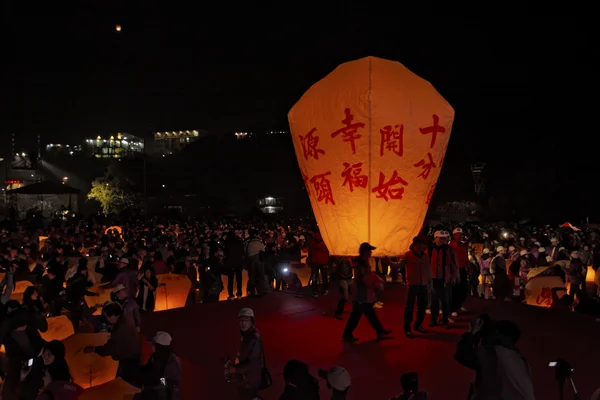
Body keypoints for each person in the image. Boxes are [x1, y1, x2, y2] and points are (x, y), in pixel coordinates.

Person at [453, 315, 535, 400]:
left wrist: (472, 333)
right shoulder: (519, 359)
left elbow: (462, 354)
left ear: (499, 335)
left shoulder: (496, 353)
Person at [342, 243, 392, 342]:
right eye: (369, 250)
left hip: (364, 294)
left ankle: (380, 331)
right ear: (365, 252)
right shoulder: (360, 264)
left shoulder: (363, 262)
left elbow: (368, 275)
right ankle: (347, 334)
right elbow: (364, 278)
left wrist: (377, 280)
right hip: (361, 294)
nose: (371, 252)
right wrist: (376, 284)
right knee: (357, 315)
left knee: (369, 313)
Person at [227, 308, 266, 400]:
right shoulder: (246, 334)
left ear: (251, 321)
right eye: (240, 320)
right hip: (245, 379)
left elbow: (253, 363)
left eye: (246, 320)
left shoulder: (253, 338)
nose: (243, 323)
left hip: (249, 381)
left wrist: (235, 369)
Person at [427, 231, 458, 328]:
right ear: (435, 238)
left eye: (444, 238)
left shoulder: (450, 250)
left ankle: (445, 319)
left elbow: (454, 264)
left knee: (445, 300)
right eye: (441, 238)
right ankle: (433, 318)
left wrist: (454, 276)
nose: (443, 240)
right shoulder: (430, 249)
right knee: (433, 300)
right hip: (433, 279)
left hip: (446, 279)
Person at [139, 331, 182, 400]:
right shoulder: (155, 357)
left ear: (158, 346)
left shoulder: (172, 362)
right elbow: (147, 371)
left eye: (153, 345)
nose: (151, 347)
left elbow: (170, 385)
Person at [403, 237, 432, 338]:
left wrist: (430, 284)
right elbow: (398, 265)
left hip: (423, 285)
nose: (421, 247)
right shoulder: (408, 255)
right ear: (414, 245)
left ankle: (418, 325)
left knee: (422, 306)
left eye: (422, 245)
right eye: (419, 245)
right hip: (412, 285)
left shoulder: (425, 256)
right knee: (409, 307)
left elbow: (428, 271)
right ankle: (407, 328)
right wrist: (388, 262)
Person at [449, 228, 469, 315]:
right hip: (454, 270)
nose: (460, 236)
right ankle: (453, 308)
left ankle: (459, 305)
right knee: (455, 290)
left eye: (461, 234)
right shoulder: (450, 246)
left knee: (463, 289)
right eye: (458, 234)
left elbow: (466, 258)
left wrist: (468, 268)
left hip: (462, 269)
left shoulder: (464, 246)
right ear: (454, 236)